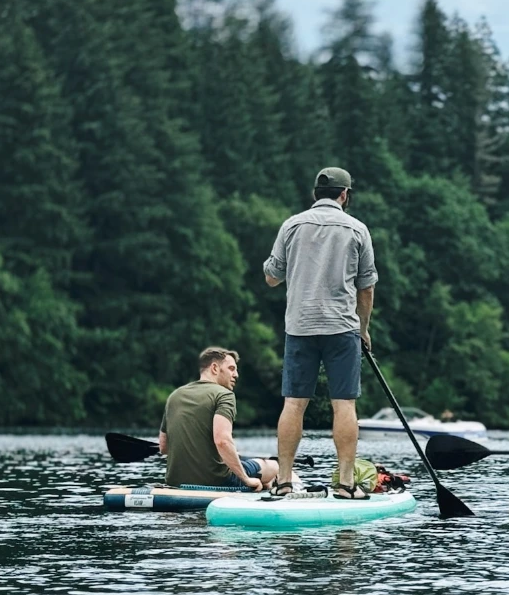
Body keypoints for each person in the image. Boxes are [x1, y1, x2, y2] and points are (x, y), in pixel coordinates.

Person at [264, 167, 378, 499]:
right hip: (343, 328)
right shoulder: (357, 229)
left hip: (299, 327)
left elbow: (272, 276)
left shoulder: (291, 225)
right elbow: (366, 289)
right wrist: (364, 330)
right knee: (344, 405)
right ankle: (345, 484)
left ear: (316, 194)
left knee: (294, 403)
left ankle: (283, 482)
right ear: (344, 195)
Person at [159, 347, 278, 491]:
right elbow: (222, 441)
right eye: (231, 369)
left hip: (175, 483)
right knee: (273, 466)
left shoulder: (175, 396)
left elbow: (164, 447)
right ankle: (268, 483)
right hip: (217, 481)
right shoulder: (224, 395)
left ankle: (266, 484)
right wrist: (245, 479)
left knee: (243, 463)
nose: (236, 375)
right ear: (215, 368)